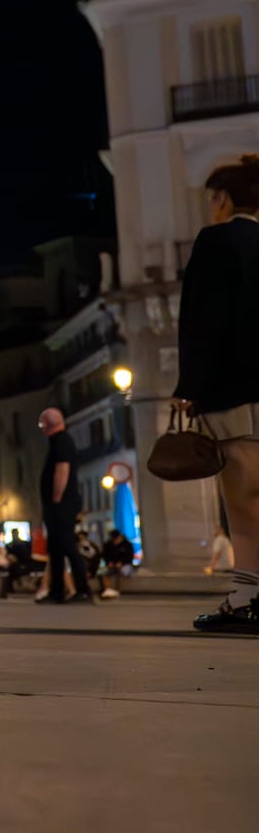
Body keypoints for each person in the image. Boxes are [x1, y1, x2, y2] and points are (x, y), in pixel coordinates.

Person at [173, 154, 259, 635]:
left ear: (223, 199)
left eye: (211, 198)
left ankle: (246, 598)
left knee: (242, 500)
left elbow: (202, 321)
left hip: (236, 392)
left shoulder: (217, 241)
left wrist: (189, 386)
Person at [36, 408, 92, 605]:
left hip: (61, 504)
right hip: (60, 503)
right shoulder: (60, 441)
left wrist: (56, 498)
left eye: (42, 424)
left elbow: (62, 470)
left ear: (48, 424)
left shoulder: (61, 441)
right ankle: (57, 591)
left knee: (66, 545)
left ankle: (83, 590)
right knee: (56, 548)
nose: (41, 429)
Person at [96, 527, 135, 599]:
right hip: (112, 564)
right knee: (104, 573)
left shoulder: (127, 545)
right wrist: (109, 562)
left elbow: (130, 556)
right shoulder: (108, 545)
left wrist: (122, 562)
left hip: (125, 564)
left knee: (123, 572)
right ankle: (108, 589)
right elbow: (105, 555)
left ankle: (118, 590)